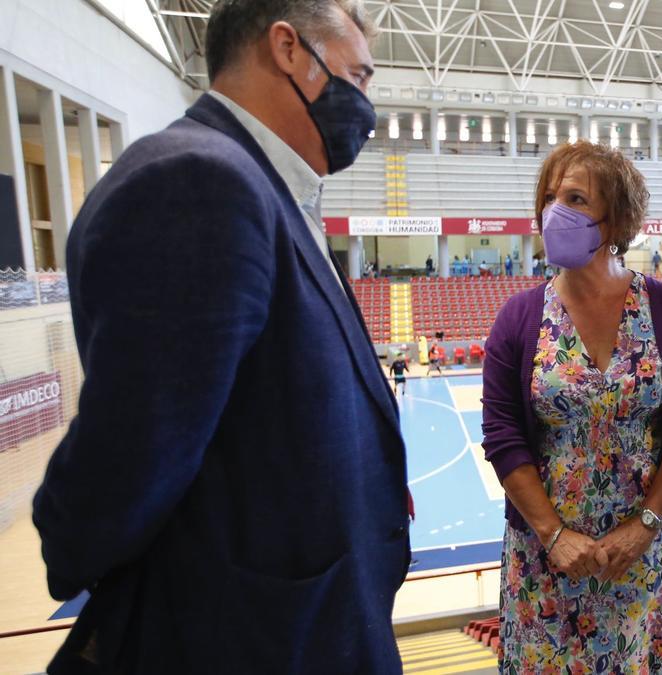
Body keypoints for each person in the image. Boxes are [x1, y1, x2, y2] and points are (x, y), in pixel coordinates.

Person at [31, 2, 413, 673]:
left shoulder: (267, 188)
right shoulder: (200, 181)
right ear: (289, 49)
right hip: (250, 637)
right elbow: (128, 455)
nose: (366, 101)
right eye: (359, 74)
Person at [482, 141, 662, 672]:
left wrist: (646, 524)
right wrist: (553, 535)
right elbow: (503, 434)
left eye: (576, 198)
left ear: (615, 220)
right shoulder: (518, 317)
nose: (554, 211)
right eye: (550, 197)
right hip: (549, 564)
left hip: (648, 560)